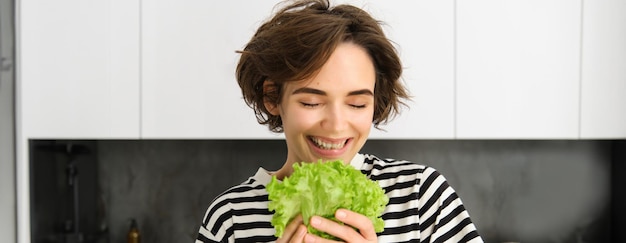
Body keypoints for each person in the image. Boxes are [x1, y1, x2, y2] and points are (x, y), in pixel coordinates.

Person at [196, 0, 483, 242]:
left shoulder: (421, 196)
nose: (336, 125)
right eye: (312, 102)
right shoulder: (231, 216)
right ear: (273, 97)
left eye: (357, 103)